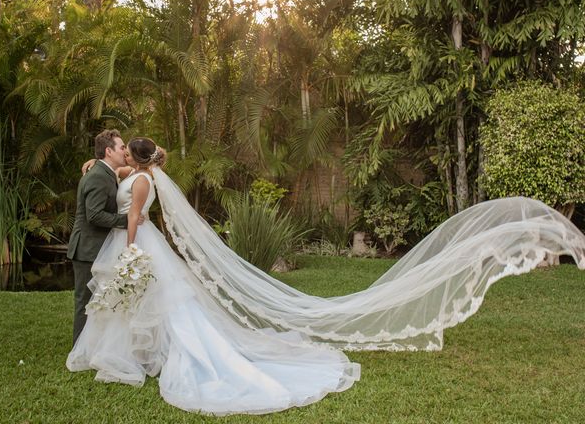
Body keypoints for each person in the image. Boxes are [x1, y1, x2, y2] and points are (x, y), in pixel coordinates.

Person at [68, 136, 585, 415]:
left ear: (128, 157)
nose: (114, 155)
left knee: (171, 309)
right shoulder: (132, 175)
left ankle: (153, 354)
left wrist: (133, 251)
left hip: (141, 247)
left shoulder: (138, 183)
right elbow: (125, 195)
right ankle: (138, 351)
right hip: (143, 246)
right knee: (158, 304)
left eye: (118, 150)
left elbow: (136, 217)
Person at [66, 129, 143, 344]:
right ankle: (78, 349)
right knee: (85, 301)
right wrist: (128, 220)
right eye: (121, 147)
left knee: (99, 299)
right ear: (109, 151)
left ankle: (93, 345)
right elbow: (94, 215)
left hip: (98, 247)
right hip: (87, 248)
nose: (125, 151)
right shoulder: (99, 176)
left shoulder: (107, 172)